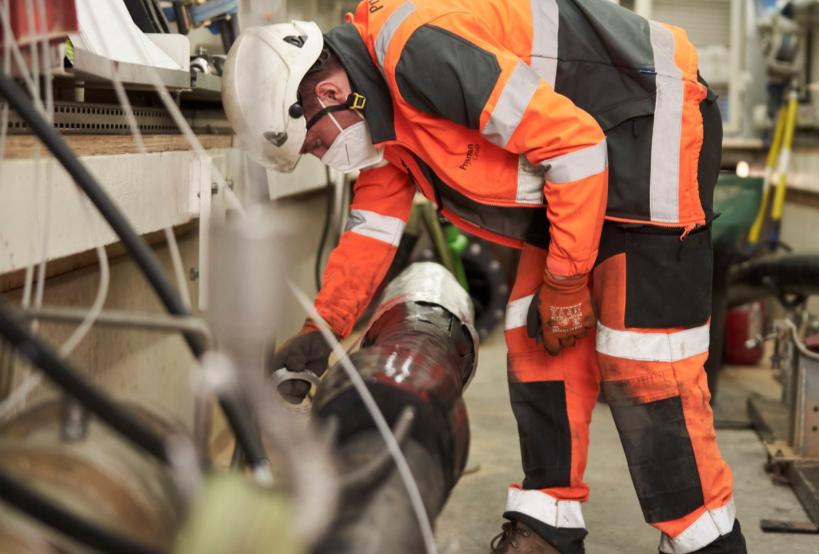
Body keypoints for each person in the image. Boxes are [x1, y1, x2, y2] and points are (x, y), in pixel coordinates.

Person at [222, 1, 746, 552]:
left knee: (645, 361)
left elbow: (577, 144)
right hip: (574, 166)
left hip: (648, 116)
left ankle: (706, 539)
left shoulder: (418, 52)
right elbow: (373, 226)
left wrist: (567, 284)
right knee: (534, 334)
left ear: (327, 96)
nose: (326, 155)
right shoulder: (380, 112)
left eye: (318, 144)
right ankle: (549, 524)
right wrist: (322, 326)